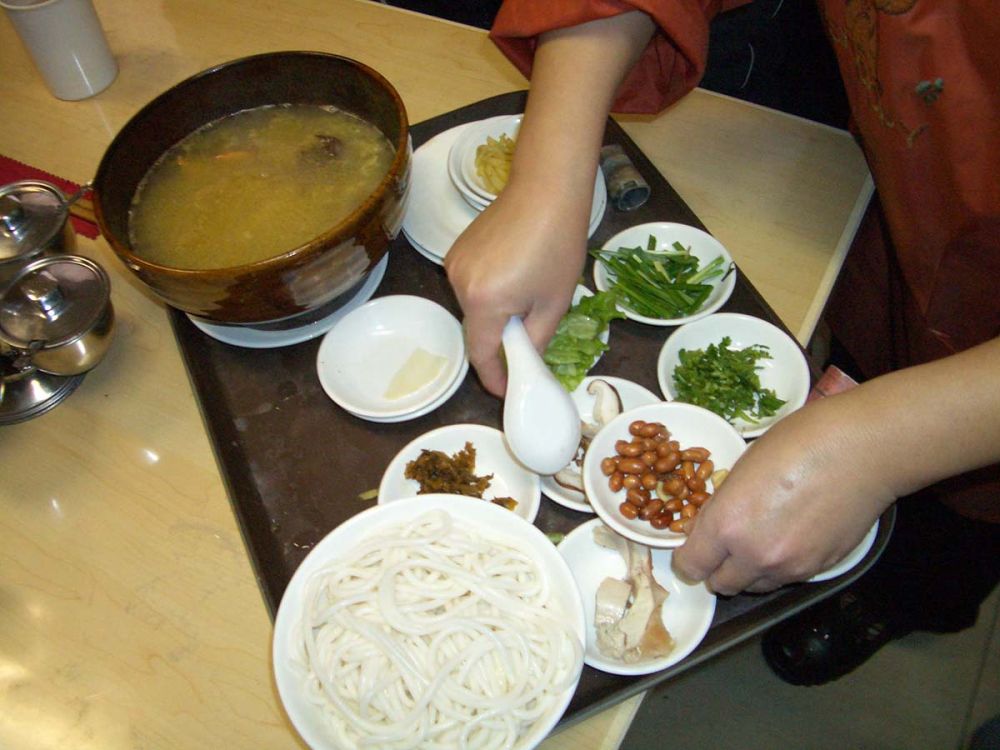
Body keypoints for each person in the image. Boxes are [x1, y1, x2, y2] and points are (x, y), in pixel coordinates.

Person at [443, 1, 1000, 685]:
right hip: (905, 187)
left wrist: (886, 444)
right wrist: (549, 177)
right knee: (867, 342)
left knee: (958, 526)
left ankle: (908, 599)